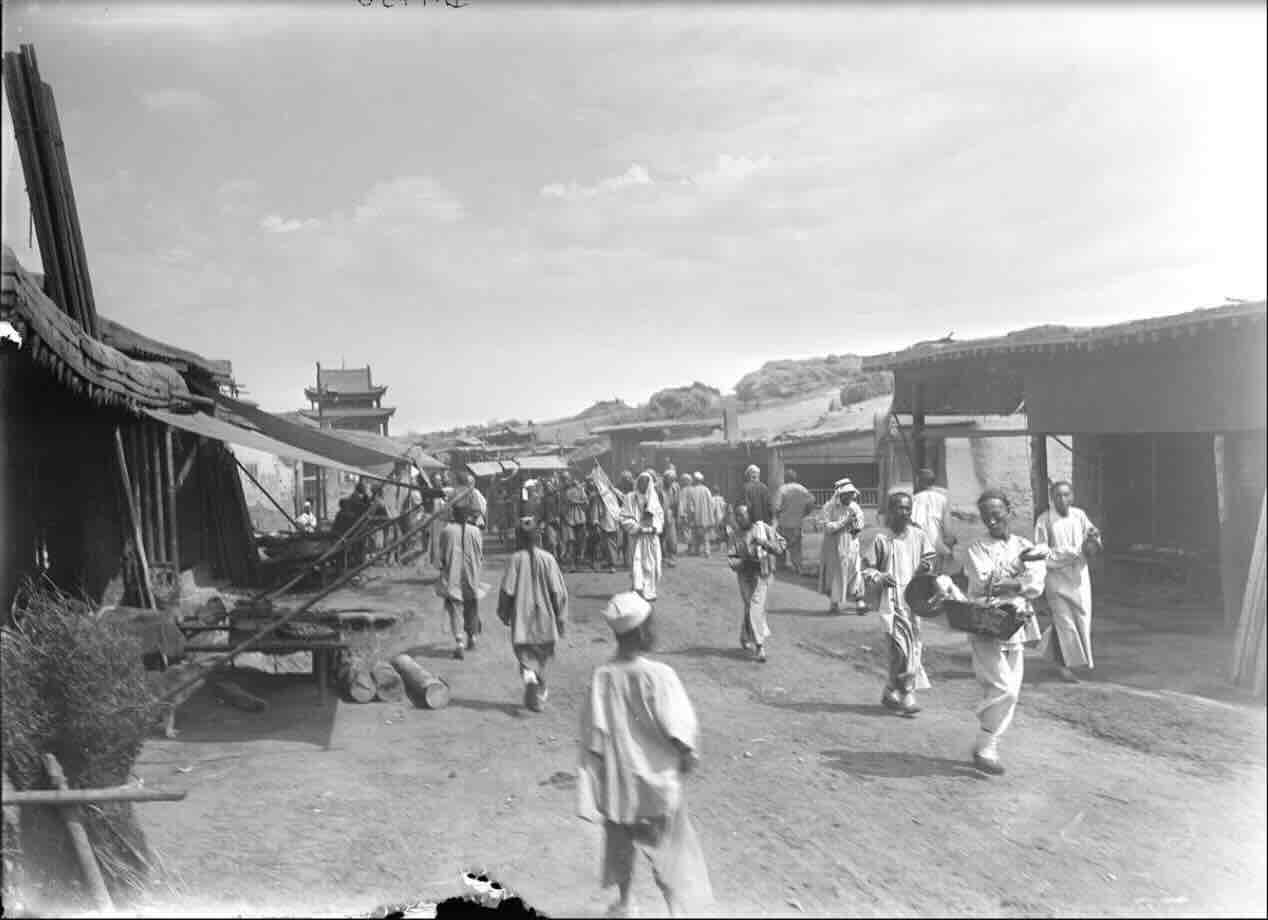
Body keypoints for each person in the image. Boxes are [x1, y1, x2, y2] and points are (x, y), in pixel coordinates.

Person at [577, 592, 713, 918]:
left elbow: (593, 734)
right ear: (641, 633)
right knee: (669, 850)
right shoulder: (660, 675)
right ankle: (675, 910)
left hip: (620, 785)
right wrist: (687, 756)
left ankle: (625, 903)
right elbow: (679, 726)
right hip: (658, 783)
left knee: (621, 845)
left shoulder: (603, 677)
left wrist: (595, 774)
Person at [965, 489, 1046, 775]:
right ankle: (985, 743)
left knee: (1013, 689)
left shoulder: (1025, 544)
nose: (991, 519)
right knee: (1003, 689)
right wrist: (1017, 574)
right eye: (986, 515)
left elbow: (1036, 584)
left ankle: (987, 745)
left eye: (996, 513)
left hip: (1017, 623)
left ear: (1009, 511)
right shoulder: (976, 548)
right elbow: (985, 581)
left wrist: (1014, 582)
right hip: (986, 622)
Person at [862, 492, 937, 716]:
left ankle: (890, 690)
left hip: (913, 601)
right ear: (890, 511)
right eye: (899, 508)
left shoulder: (918, 536)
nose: (903, 513)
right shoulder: (881, 540)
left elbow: (930, 560)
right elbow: (866, 569)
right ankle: (907, 696)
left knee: (912, 649)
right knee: (900, 649)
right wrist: (880, 577)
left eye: (907, 508)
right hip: (891, 604)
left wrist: (926, 567)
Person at [497, 518, 569, 712]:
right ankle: (538, 687)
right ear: (538, 537)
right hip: (546, 620)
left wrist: (504, 613)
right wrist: (561, 617)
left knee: (525, 658)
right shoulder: (549, 559)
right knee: (542, 657)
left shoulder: (515, 559)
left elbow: (507, 591)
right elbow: (558, 593)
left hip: (522, 620)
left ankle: (531, 680)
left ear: (519, 538)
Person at [1034, 481, 1101, 683]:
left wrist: (1093, 539)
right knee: (1064, 622)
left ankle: (1053, 654)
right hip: (1055, 578)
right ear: (1052, 499)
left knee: (1081, 619)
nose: (1062, 500)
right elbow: (1041, 552)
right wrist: (1072, 553)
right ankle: (1063, 666)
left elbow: (1092, 540)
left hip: (1079, 578)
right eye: (1057, 496)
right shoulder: (1044, 520)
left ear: (1072, 497)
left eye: (1066, 495)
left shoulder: (1079, 515)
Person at [728, 503, 786, 663]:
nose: (740, 519)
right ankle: (745, 635)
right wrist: (741, 563)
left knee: (755, 606)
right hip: (745, 576)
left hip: (762, 574)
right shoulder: (734, 535)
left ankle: (760, 646)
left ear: (750, 515)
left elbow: (782, 546)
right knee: (750, 606)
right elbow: (731, 558)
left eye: (743, 515)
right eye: (737, 516)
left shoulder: (763, 529)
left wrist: (764, 543)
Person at [438, 505, 485, 660]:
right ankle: (472, 637)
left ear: (454, 515)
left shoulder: (447, 531)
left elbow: (442, 556)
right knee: (472, 605)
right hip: (472, 574)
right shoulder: (476, 531)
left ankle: (459, 642)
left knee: (455, 607)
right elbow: (480, 554)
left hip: (453, 574)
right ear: (467, 517)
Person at [818, 479, 867, 614]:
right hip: (833, 545)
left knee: (855, 570)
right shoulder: (829, 507)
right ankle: (834, 603)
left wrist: (856, 526)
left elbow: (860, 523)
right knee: (835, 573)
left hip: (851, 543)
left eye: (851, 494)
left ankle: (859, 601)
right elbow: (826, 527)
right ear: (840, 494)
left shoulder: (854, 507)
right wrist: (844, 522)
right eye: (847, 494)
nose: (850, 497)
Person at [620, 472, 664, 601]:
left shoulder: (654, 498)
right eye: (641, 481)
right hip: (637, 537)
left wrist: (655, 527)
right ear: (637, 482)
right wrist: (636, 527)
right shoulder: (630, 497)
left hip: (651, 538)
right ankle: (637, 589)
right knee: (637, 563)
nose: (643, 484)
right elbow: (624, 516)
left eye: (646, 481)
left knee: (651, 564)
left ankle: (649, 591)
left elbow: (660, 516)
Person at [911, 468, 956, 575]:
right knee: (937, 577)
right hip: (937, 545)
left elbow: (912, 522)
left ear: (919, 481)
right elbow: (948, 528)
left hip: (919, 545)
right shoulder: (942, 499)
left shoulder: (914, 499)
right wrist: (950, 542)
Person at [773, 469, 815, 575]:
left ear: (786, 478)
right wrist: (804, 513)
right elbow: (812, 501)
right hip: (797, 523)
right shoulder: (803, 489)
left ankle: (781, 567)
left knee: (780, 545)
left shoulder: (782, 489)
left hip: (784, 523)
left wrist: (778, 516)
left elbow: (777, 507)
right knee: (796, 547)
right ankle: (797, 567)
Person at [589, 478, 621, 574]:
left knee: (611, 544)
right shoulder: (599, 496)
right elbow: (596, 509)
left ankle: (611, 563)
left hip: (614, 521)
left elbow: (622, 501)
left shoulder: (614, 494)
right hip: (605, 523)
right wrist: (596, 521)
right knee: (607, 544)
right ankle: (611, 563)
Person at [680, 473, 716, 558]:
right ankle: (707, 551)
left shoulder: (693, 490)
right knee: (705, 535)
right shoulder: (707, 490)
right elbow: (711, 503)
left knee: (696, 534)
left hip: (696, 517)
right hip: (706, 517)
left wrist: (691, 516)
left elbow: (692, 506)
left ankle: (697, 551)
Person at [562, 472, 590, 572]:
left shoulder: (580, 490)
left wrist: (578, 502)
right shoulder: (566, 491)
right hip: (570, 519)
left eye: (568, 479)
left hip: (580, 518)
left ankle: (578, 563)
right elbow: (565, 503)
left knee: (580, 542)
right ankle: (572, 564)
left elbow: (586, 502)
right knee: (571, 542)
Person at [660, 470, 681, 568]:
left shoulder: (675, 488)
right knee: (661, 538)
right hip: (660, 515)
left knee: (672, 538)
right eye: (669, 479)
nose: (670, 482)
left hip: (670, 514)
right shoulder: (658, 487)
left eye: (672, 480)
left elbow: (677, 503)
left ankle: (672, 557)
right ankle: (663, 557)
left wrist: (677, 516)